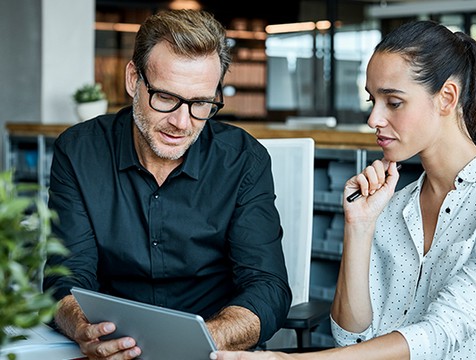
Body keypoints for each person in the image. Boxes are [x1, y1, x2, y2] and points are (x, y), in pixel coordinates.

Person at [212, 20, 476, 360]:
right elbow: (349, 337)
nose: (373, 119)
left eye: (393, 102)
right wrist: (359, 226)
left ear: (446, 98)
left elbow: (442, 332)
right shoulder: (394, 206)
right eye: (372, 100)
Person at [42, 9, 292, 359]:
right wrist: (85, 329)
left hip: (212, 350)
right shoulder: (79, 152)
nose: (181, 122)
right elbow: (65, 279)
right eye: (165, 97)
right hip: (113, 350)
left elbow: (268, 288)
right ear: (133, 79)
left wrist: (204, 340)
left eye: (201, 103)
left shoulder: (243, 160)